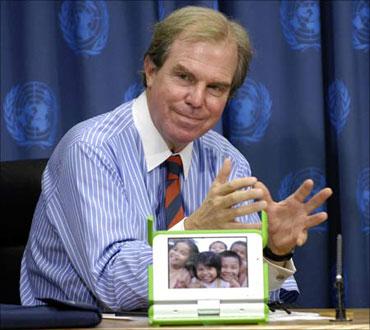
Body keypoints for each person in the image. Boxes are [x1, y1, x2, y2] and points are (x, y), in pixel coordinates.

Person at [20, 6, 333, 311]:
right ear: (151, 71)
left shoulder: (228, 161)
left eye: (215, 88)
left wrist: (273, 251)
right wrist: (194, 230)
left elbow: (244, 290)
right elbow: (111, 283)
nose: (196, 100)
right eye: (184, 77)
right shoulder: (90, 150)